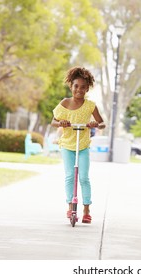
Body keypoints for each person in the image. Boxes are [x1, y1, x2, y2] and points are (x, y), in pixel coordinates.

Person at [51, 66, 105, 224]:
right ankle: (70, 207)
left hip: (82, 145)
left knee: (83, 178)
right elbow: (53, 121)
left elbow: (102, 124)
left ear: (87, 88)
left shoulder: (90, 105)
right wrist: (61, 122)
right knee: (69, 176)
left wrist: (95, 124)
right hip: (67, 145)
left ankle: (86, 210)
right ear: (71, 86)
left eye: (83, 87)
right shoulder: (65, 103)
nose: (79, 90)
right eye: (76, 86)